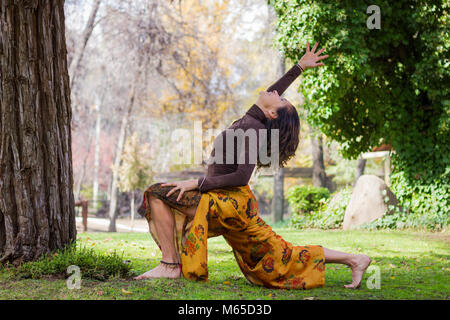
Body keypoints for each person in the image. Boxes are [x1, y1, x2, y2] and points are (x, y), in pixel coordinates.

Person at [135, 42, 371, 289]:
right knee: (279, 253)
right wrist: (299, 67)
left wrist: (195, 182)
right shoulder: (254, 118)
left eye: (279, 99)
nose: (275, 93)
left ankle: (170, 265)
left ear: (272, 114)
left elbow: (241, 176)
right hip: (228, 202)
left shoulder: (255, 130)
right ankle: (354, 259)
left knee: (158, 193)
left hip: (230, 204)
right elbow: (272, 91)